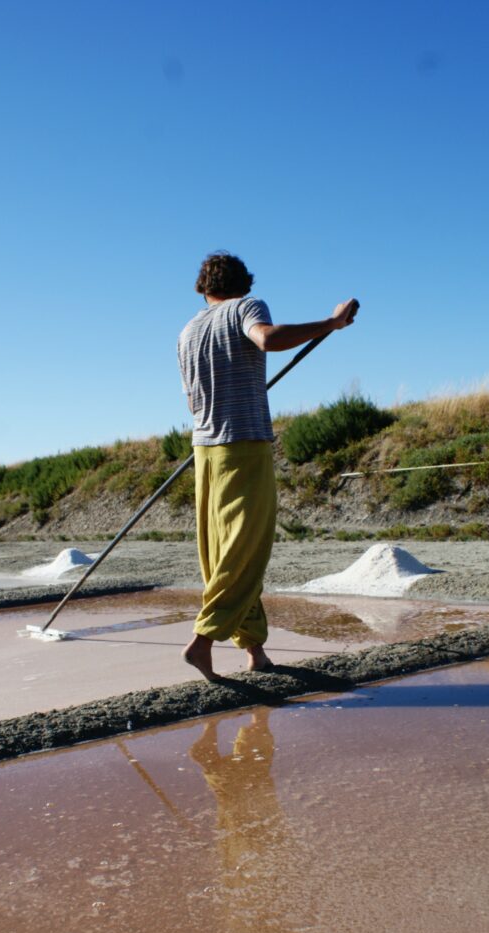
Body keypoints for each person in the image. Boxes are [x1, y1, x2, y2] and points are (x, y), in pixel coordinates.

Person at [177, 251, 359, 681]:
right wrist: (331, 324)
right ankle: (203, 641)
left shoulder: (187, 331)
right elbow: (266, 338)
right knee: (247, 551)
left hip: (205, 449)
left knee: (225, 553)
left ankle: (255, 652)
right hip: (242, 443)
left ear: (204, 288)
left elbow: (193, 395)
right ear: (244, 285)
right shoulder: (246, 308)